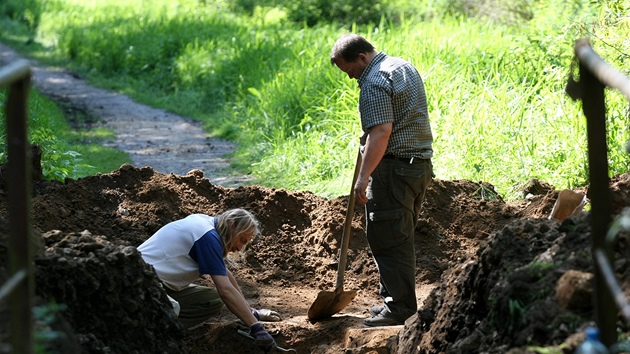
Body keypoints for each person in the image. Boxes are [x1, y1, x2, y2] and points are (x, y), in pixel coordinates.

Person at [330, 33, 435, 326]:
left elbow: (381, 133)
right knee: (398, 235)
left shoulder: (374, 82)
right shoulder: (402, 66)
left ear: (362, 58)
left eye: (351, 71)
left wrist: (363, 178)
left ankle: (400, 308)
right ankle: (392, 299)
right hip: (418, 166)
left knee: (389, 239)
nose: (352, 78)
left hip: (393, 171)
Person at [137, 208, 281, 351]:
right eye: (242, 240)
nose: (239, 247)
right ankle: (144, 340)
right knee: (171, 308)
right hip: (138, 281)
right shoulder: (208, 237)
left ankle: (156, 328)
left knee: (213, 300)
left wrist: (251, 313)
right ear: (233, 225)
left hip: (160, 284)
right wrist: (256, 328)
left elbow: (226, 277)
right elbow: (225, 290)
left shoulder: (208, 225)